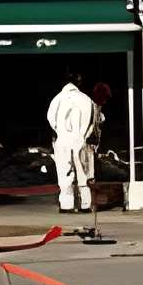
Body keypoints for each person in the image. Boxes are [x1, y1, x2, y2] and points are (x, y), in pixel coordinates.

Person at [46, 74, 98, 213]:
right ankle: (85, 204)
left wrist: (58, 135)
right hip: (82, 140)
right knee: (84, 174)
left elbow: (51, 120)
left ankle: (66, 205)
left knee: (64, 174)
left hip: (62, 139)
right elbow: (94, 121)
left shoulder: (56, 100)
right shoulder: (88, 100)